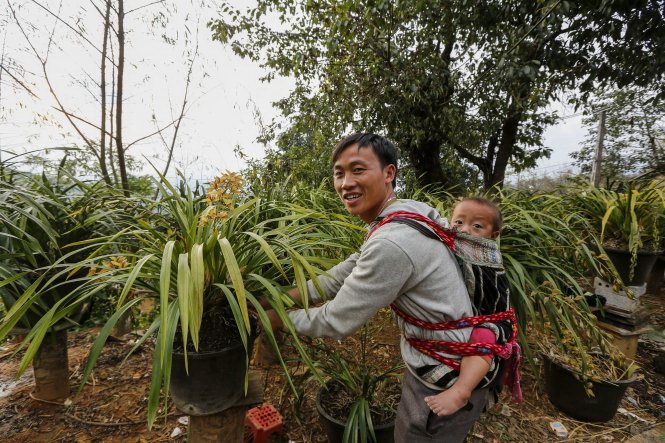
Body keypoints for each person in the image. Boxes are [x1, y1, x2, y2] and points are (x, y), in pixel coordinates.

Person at [265, 133, 488, 442]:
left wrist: (274, 319)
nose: (345, 183)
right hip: (461, 351)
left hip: (446, 373)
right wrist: (279, 297)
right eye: (339, 173)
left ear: (388, 173)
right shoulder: (409, 211)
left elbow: (335, 320)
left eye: (358, 170)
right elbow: (350, 267)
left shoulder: (392, 242)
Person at [424, 197, 502, 417]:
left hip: (487, 317)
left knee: (483, 339)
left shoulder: (484, 254)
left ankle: (461, 390)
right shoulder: (448, 240)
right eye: (458, 222)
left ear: (493, 236)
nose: (465, 230)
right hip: (459, 314)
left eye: (477, 226)